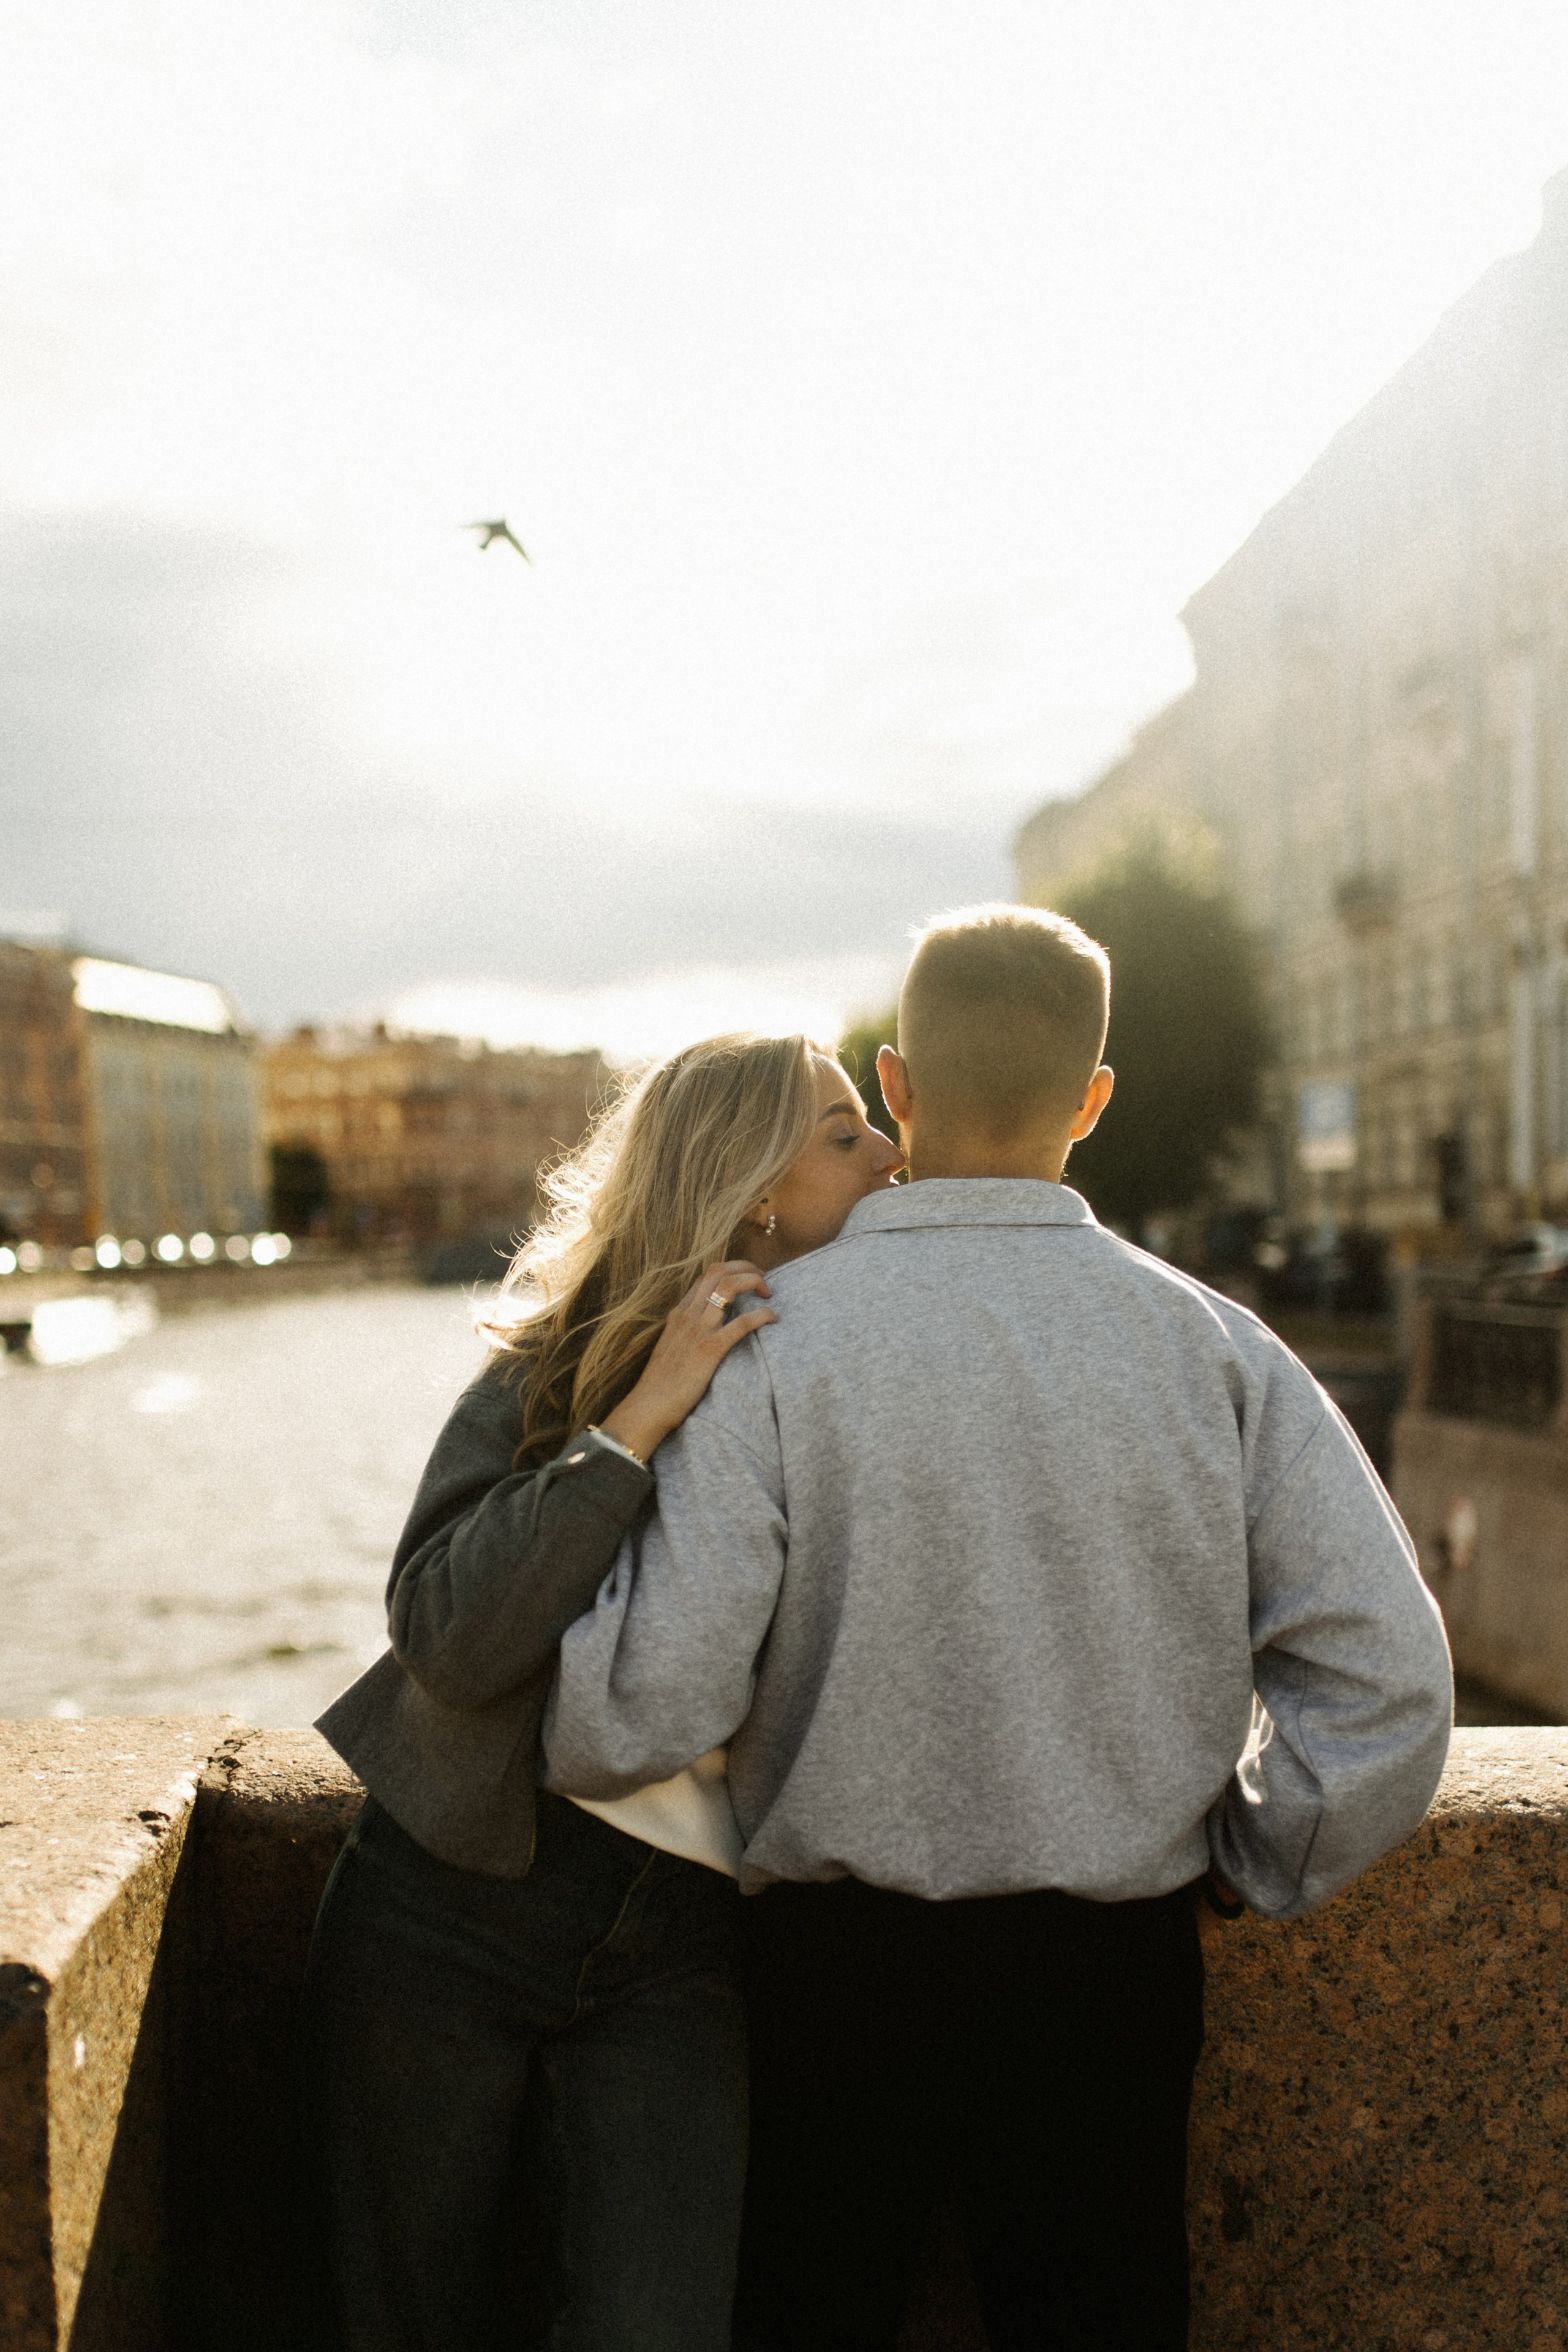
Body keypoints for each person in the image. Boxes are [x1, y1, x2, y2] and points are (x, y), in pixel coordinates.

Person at [543, 903, 1455, 2352]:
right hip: (1109, 1974)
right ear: (1093, 1100)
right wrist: (1243, 1860)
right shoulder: (1216, 1348)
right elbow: (1390, 1688)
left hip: (833, 1984)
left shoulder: (772, 1344)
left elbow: (624, 1722)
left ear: (895, 1086)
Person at [300, 1030, 903, 2352]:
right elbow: (447, 1640)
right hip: (444, 1909)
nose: (888, 1152)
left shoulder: (854, 1364)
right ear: (751, 1180)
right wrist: (639, 1418)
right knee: (405, 2323)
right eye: (846, 1131)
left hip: (679, 1940)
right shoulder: (553, 1363)